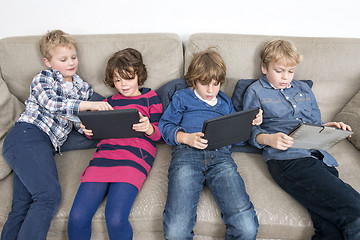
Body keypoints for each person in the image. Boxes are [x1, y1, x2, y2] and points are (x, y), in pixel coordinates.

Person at [242, 39, 360, 239]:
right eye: (279, 71)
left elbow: (314, 123)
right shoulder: (255, 91)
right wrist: (269, 139)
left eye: (290, 71)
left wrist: (329, 127)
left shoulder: (303, 89)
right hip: (288, 161)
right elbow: (247, 131)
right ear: (264, 68)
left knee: (331, 229)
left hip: (319, 157)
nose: (285, 77)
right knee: (356, 212)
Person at [1, 30, 112, 240]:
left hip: (42, 143)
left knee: (21, 206)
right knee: (48, 196)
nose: (70, 63)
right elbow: (53, 104)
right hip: (26, 136)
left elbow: (80, 118)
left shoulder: (81, 87)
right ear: (48, 62)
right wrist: (88, 105)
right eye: (63, 59)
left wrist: (85, 126)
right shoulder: (44, 78)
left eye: (73, 57)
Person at [159, 48, 261, 240]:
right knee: (175, 232)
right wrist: (185, 137)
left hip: (221, 157)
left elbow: (238, 137)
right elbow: (165, 126)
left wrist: (252, 121)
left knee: (246, 228)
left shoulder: (225, 102)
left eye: (216, 84)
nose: (210, 90)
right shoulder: (182, 97)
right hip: (187, 155)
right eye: (204, 83)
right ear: (193, 79)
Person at [67, 48, 163, 240]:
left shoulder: (150, 98)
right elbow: (98, 134)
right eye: (117, 80)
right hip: (103, 159)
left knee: (116, 219)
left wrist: (149, 128)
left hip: (133, 160)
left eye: (128, 78)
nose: (123, 85)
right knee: (77, 218)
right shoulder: (107, 102)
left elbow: (161, 135)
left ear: (139, 75)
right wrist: (88, 131)